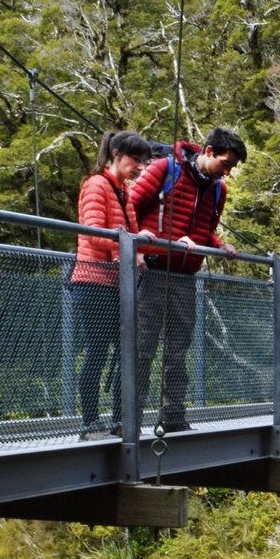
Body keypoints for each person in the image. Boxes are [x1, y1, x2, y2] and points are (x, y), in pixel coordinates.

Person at [127, 127, 247, 432]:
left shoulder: (218, 189)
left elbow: (206, 228)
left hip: (185, 277)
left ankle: (175, 418)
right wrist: (136, 249)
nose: (227, 173)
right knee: (141, 349)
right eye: (225, 164)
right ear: (208, 152)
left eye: (232, 168)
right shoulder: (165, 169)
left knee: (178, 351)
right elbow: (130, 209)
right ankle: (128, 420)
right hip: (152, 270)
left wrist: (219, 245)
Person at [70, 130, 156, 438]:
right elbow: (94, 232)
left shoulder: (123, 191)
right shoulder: (96, 185)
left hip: (117, 283)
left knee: (125, 352)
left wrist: (149, 247)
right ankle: (89, 423)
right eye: (136, 160)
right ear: (116, 153)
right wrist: (127, 249)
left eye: (145, 162)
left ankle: (122, 422)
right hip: (93, 281)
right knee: (97, 351)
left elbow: (128, 236)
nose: (140, 167)